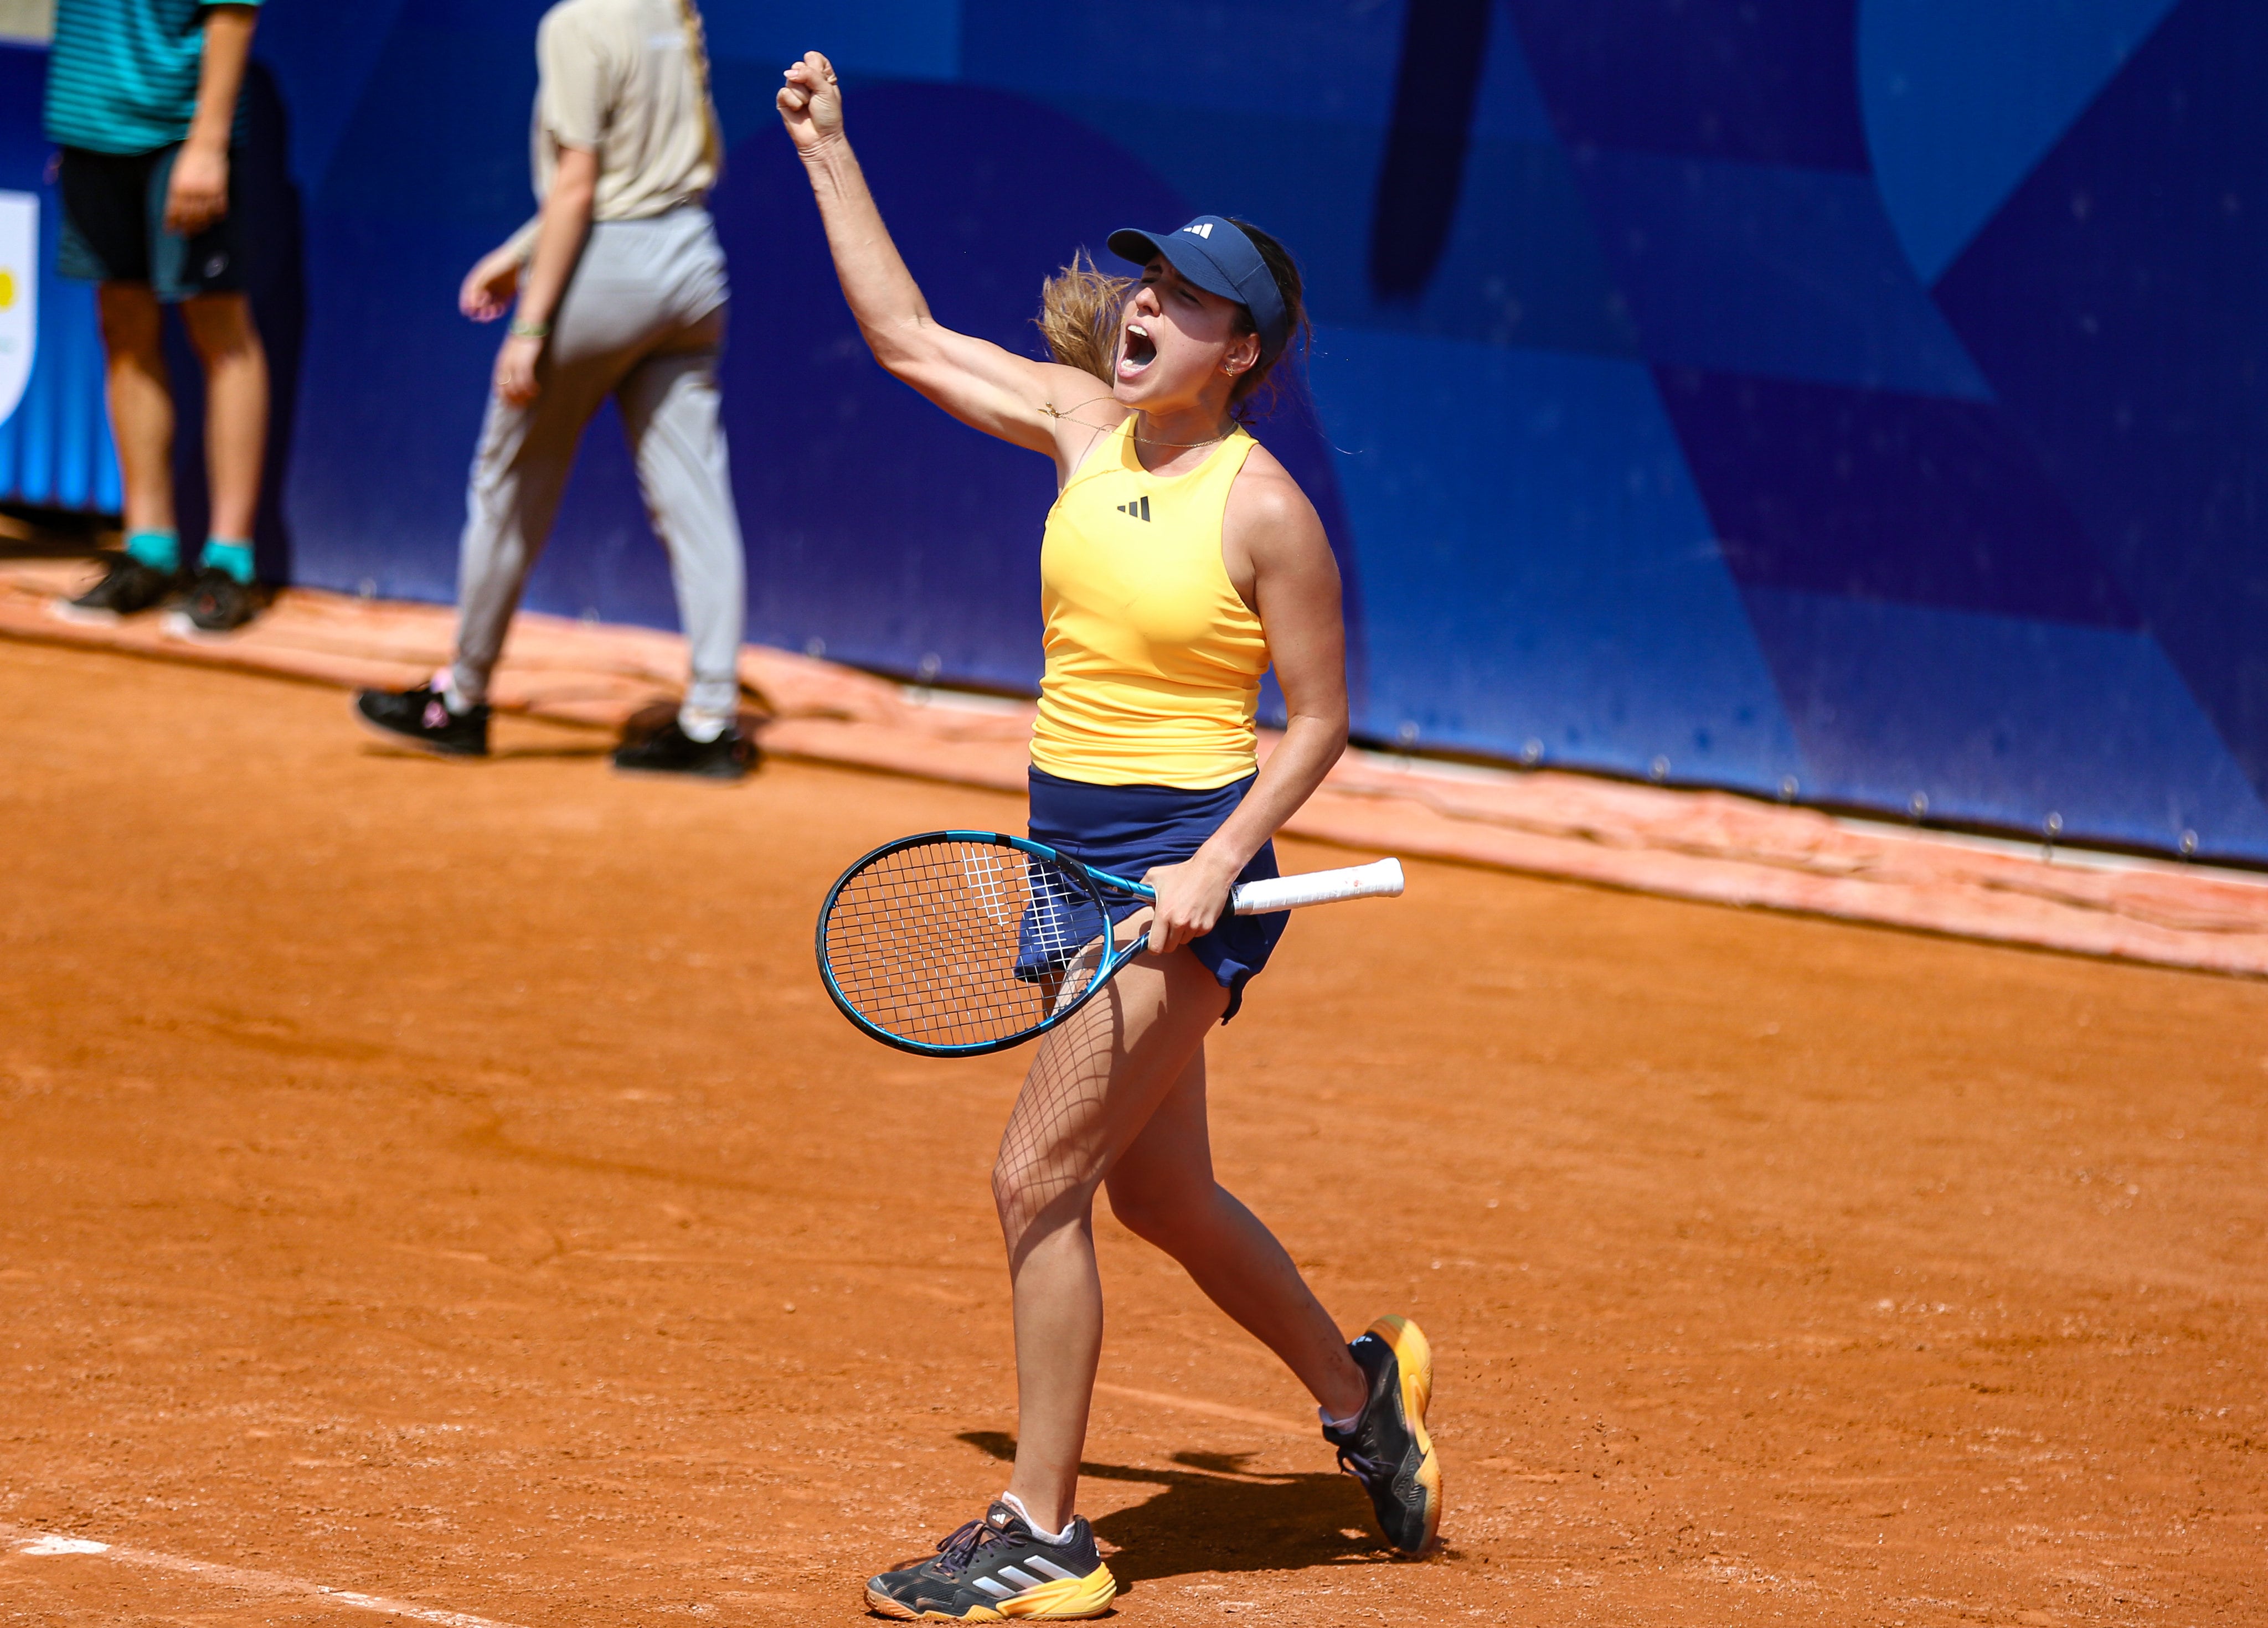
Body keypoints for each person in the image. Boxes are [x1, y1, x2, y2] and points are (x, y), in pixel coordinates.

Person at [775, 51, 1440, 1620]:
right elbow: (904, 335)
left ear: (1244, 352)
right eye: (1145, 289)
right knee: (1159, 1196)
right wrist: (827, 151)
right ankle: (1362, 1396)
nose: (1145, 313)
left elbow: (1322, 722)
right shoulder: (1082, 422)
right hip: (1068, 868)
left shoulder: (1266, 508)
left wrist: (1220, 864)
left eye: (1187, 305)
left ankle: (1047, 1530)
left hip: (1189, 873)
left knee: (1035, 1177)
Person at [353, 0, 753, 778]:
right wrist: (517, 251)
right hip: (692, 266)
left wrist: (530, 327)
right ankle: (712, 721)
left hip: (602, 277)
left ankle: (460, 701)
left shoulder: (576, 23)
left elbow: (579, 186)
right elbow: (690, 163)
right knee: (696, 501)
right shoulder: (672, 12)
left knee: (507, 488)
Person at [45, 0, 271, 634]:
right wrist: (81, 121)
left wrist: (208, 141)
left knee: (219, 330)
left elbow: (232, 9)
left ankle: (231, 564)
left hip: (181, 133)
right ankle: (150, 552)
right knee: (123, 328)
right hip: (90, 128)